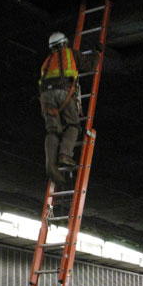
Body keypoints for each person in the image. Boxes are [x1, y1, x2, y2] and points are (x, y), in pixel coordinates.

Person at [39, 32, 103, 185]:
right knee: (73, 125)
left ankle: (51, 163)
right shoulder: (70, 54)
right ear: (63, 43)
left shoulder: (46, 62)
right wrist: (97, 52)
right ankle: (64, 155)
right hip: (63, 93)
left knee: (53, 130)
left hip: (46, 97)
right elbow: (90, 65)